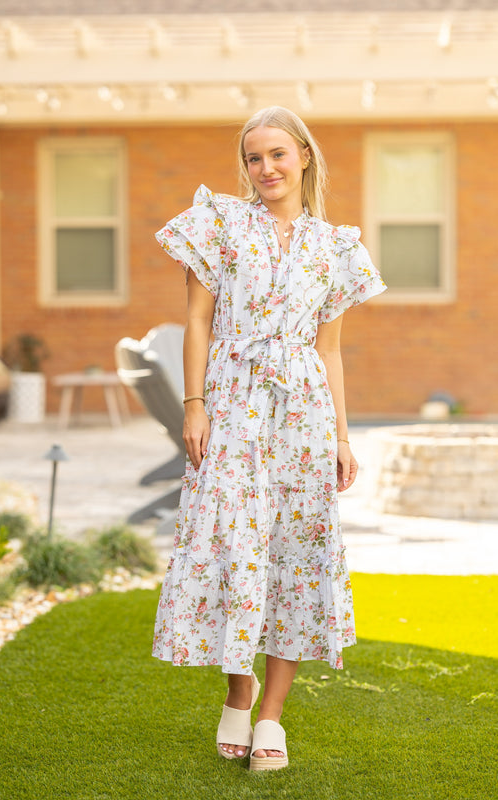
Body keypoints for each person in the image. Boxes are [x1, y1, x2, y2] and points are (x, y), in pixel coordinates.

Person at [153, 106, 386, 771]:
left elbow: (330, 350)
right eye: (254, 158)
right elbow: (197, 322)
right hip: (230, 405)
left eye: (278, 154)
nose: (266, 169)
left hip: (302, 414)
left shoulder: (334, 246)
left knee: (295, 552)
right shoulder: (218, 223)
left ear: (304, 156)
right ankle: (239, 688)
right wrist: (194, 406)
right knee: (229, 542)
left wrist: (341, 435)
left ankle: (273, 717)